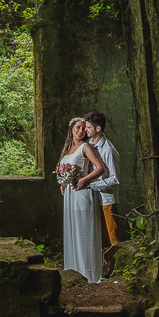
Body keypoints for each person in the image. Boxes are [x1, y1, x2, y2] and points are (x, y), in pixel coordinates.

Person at [58, 117, 106, 283]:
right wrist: (63, 183)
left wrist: (84, 179)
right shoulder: (68, 150)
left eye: (84, 129)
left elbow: (100, 168)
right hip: (70, 195)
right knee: (73, 230)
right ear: (71, 129)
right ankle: (74, 269)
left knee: (84, 231)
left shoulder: (85, 147)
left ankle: (89, 272)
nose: (81, 131)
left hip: (82, 193)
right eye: (78, 127)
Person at [84, 111, 122, 270]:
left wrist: (91, 185)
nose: (85, 130)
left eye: (88, 127)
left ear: (98, 128)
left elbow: (115, 179)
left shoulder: (108, 150)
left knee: (112, 237)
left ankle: (117, 269)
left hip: (108, 200)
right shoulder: (89, 145)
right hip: (93, 198)